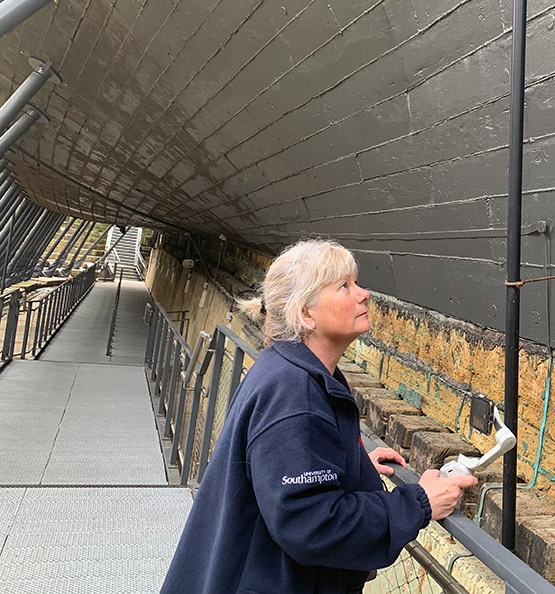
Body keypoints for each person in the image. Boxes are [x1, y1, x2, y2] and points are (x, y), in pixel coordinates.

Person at [161, 239, 477, 594]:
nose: (364, 294)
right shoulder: (295, 394)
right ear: (305, 313)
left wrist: (349, 466)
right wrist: (418, 503)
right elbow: (311, 523)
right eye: (345, 286)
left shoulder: (285, 368)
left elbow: (285, 468)